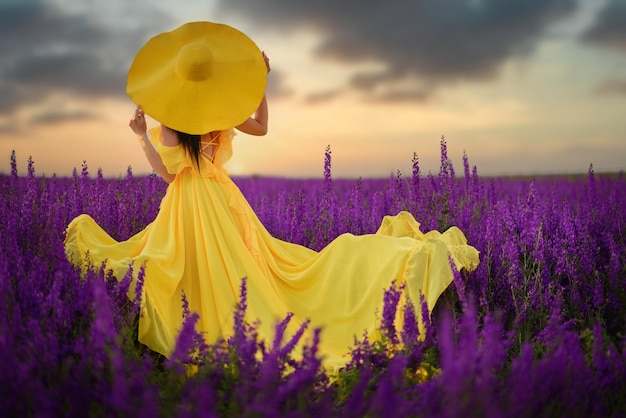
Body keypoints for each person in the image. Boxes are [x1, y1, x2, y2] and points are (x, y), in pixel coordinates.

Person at [65, 21, 479, 373]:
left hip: (188, 203)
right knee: (248, 265)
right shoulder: (221, 109)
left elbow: (168, 175)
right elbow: (261, 126)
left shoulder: (172, 120)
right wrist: (260, 84)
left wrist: (141, 137)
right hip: (221, 198)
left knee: (191, 265)